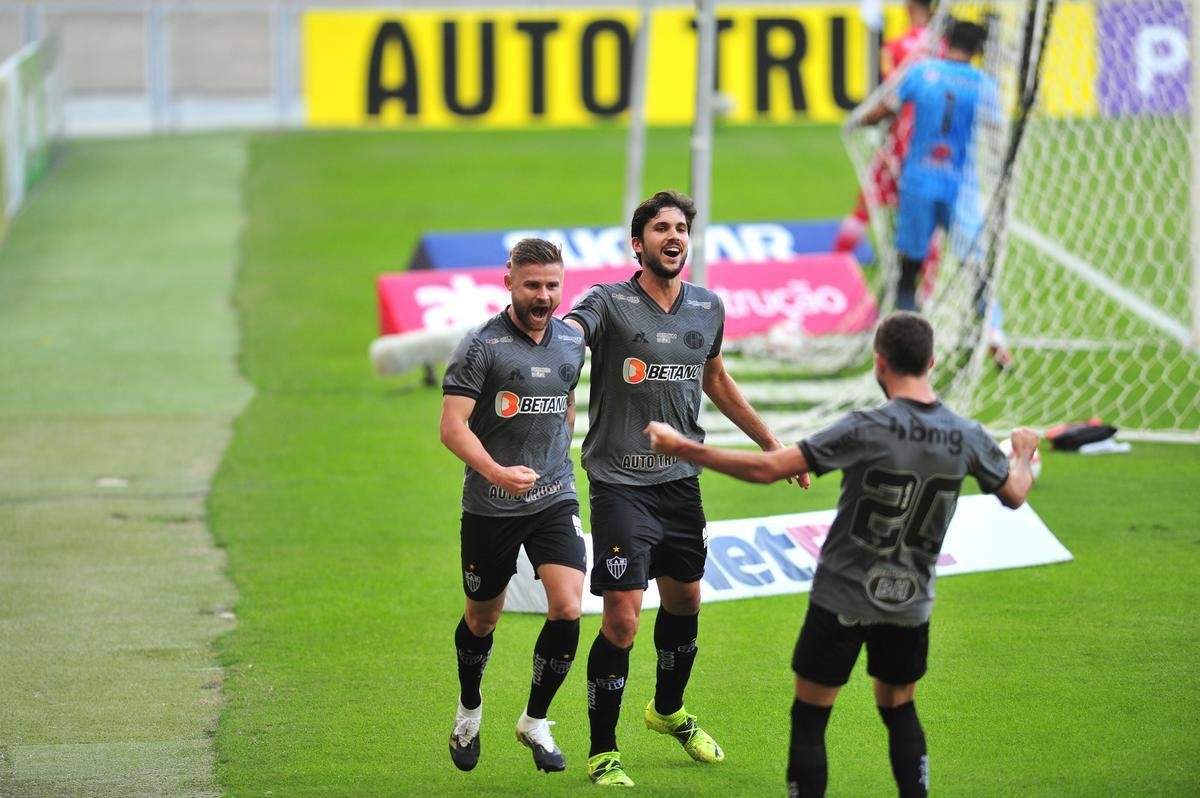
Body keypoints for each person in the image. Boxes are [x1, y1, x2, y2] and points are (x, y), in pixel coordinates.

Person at [645, 311, 1039, 797]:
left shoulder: (865, 427)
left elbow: (768, 469)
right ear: (932, 361)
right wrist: (1023, 453)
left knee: (811, 717)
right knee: (900, 710)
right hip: (909, 600)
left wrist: (684, 448)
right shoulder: (967, 435)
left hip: (842, 596)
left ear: (880, 362)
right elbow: (1015, 493)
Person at [561, 189, 806, 787]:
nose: (673, 237)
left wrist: (773, 446)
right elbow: (568, 336)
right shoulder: (608, 302)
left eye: (681, 229)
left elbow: (715, 377)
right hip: (619, 484)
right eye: (661, 228)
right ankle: (603, 751)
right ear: (637, 243)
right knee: (622, 620)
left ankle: (667, 711)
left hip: (680, 484)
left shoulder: (706, 306)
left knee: (686, 602)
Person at [439, 238, 587, 774]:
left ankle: (535, 721)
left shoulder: (571, 341)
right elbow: (451, 427)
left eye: (552, 285)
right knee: (482, 619)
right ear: (509, 283)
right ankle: (468, 710)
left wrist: (553, 460)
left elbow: (565, 405)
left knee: (568, 607)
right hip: (490, 505)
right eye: (532, 286)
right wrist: (498, 472)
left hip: (553, 495)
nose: (543, 296)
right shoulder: (481, 346)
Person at [858, 18, 1013, 369]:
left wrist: (860, 120)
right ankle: (995, 335)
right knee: (976, 267)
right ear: (978, 50)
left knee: (910, 267)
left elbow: (885, 109)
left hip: (919, 183)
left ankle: (904, 345)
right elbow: (997, 136)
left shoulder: (921, 72)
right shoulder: (983, 85)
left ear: (945, 41)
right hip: (961, 187)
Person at [834, 0, 940, 291]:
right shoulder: (944, 46)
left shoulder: (897, 47)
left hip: (900, 143)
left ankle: (834, 267)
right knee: (927, 219)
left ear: (909, 6)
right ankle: (928, 290)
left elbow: (892, 99)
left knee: (865, 205)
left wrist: (862, 120)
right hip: (933, 149)